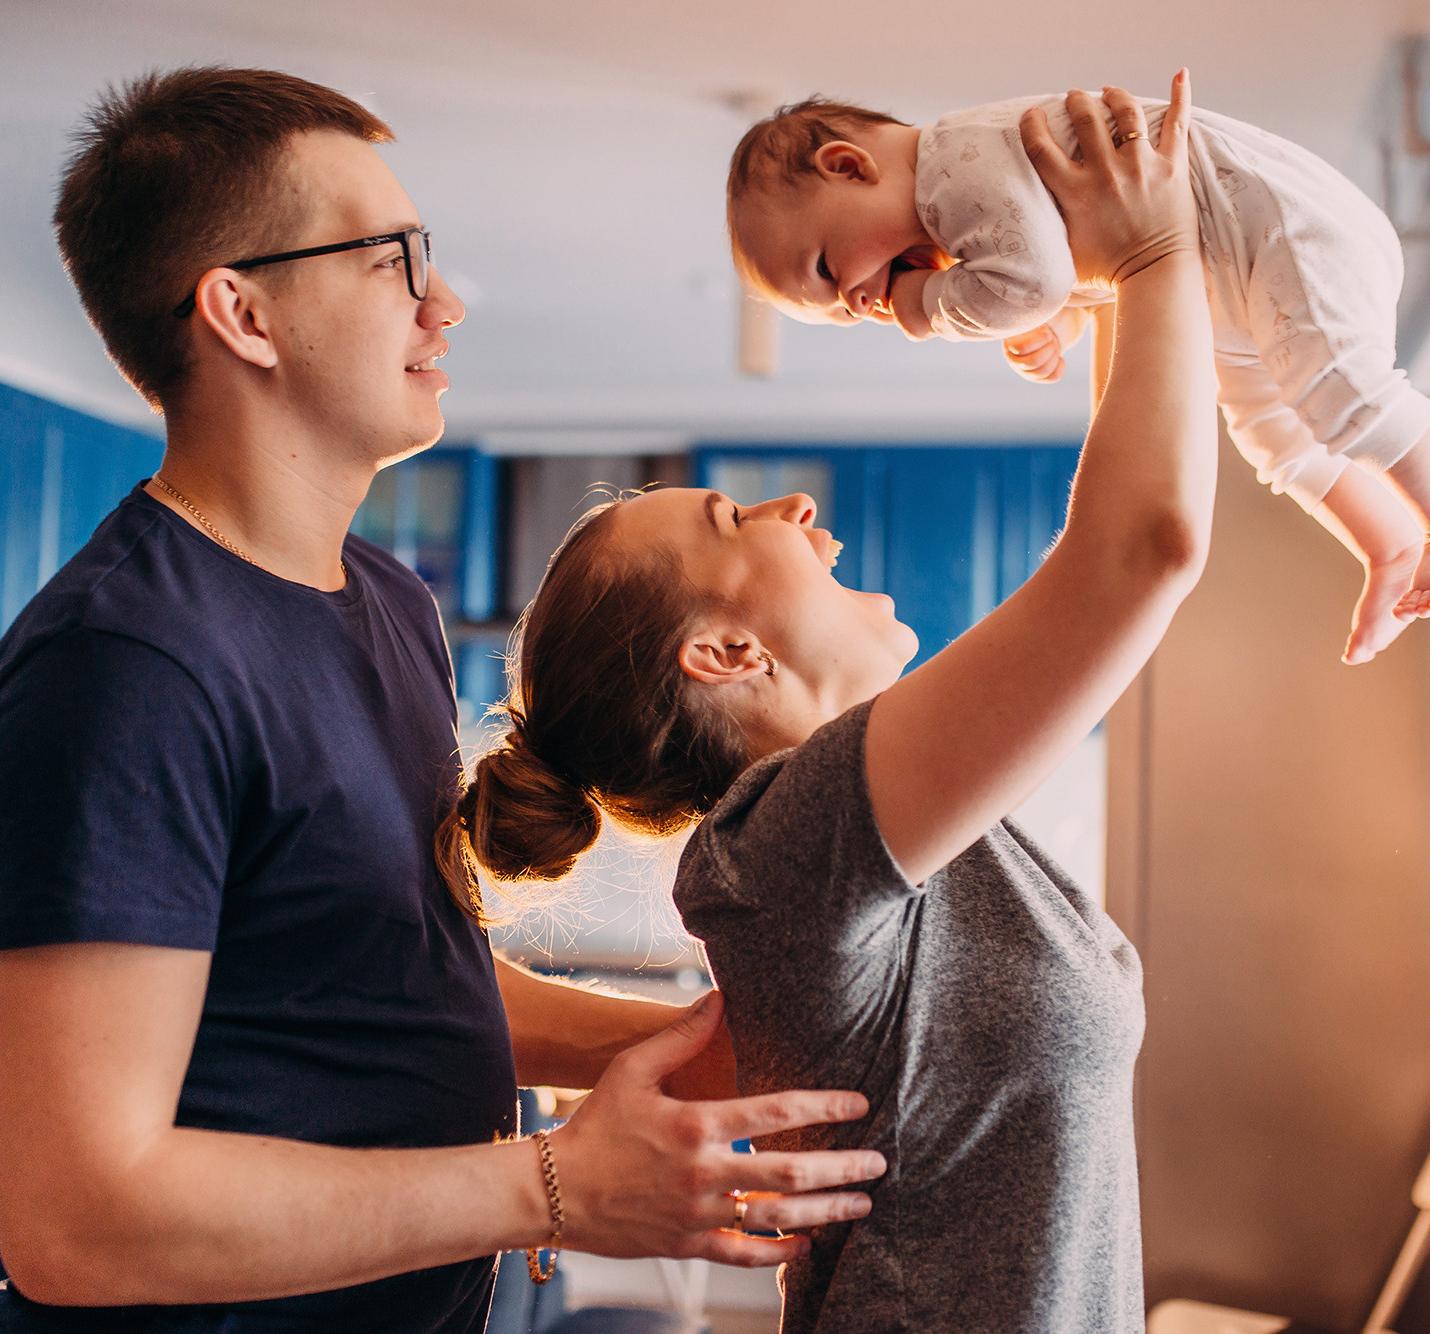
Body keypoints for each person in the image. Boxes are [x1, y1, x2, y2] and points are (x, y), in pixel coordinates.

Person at [0, 66, 884, 1334]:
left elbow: (387, 980)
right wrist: (553, 1184)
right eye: (389, 260)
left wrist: (671, 1047)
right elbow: (77, 1218)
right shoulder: (121, 665)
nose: (442, 302)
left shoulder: (385, 600)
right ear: (242, 313)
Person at [438, 80, 1210, 1334]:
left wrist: (1101, 275)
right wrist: (1150, 253)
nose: (791, 506)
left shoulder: (856, 832)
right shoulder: (795, 841)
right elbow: (1139, 548)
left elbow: (1132, 532)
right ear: (723, 651)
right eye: (735, 518)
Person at [725, 86, 1430, 666]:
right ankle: (1390, 544)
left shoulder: (950, 167)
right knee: (1275, 439)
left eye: (828, 272)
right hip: (1226, 277)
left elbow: (1032, 281)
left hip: (1274, 228)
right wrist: (1058, 326)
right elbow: (1073, 275)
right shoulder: (960, 205)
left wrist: (933, 305)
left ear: (848, 165)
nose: (862, 303)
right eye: (843, 314)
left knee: (1344, 395)